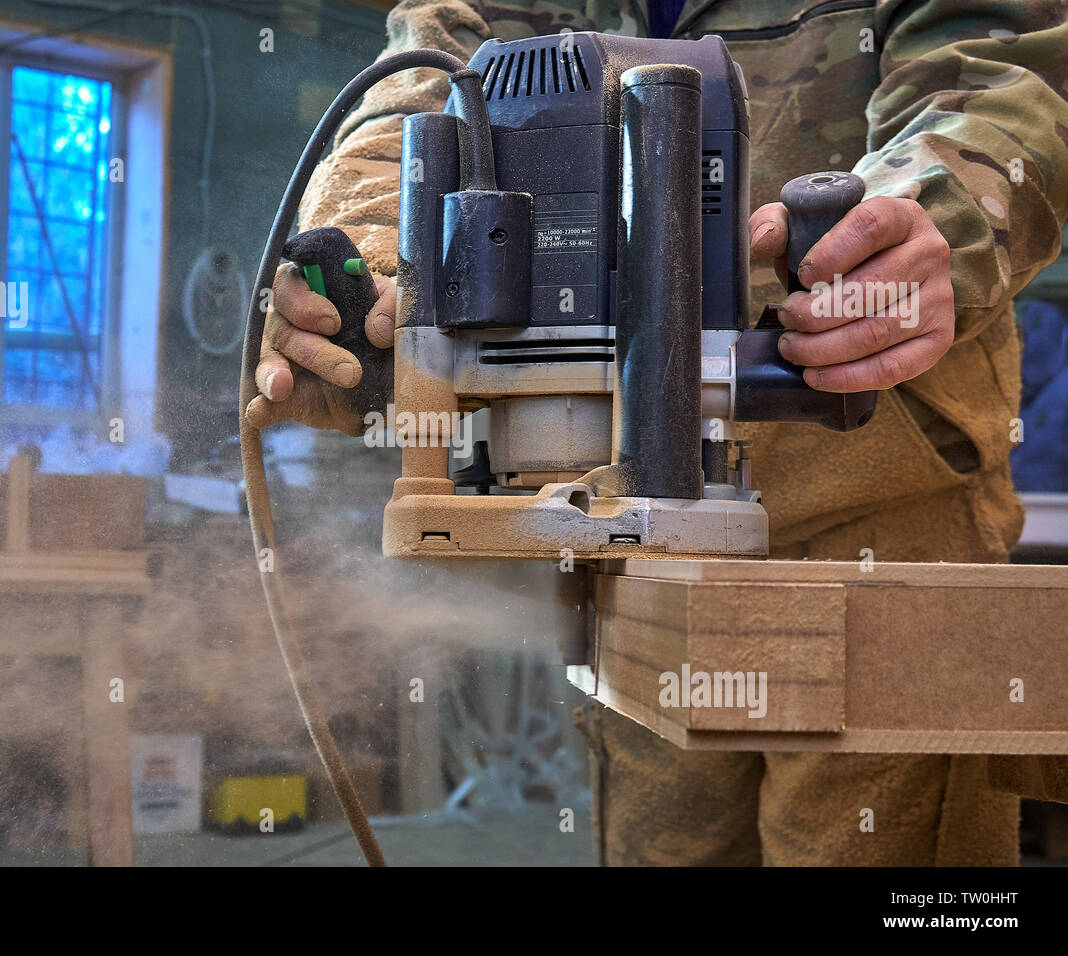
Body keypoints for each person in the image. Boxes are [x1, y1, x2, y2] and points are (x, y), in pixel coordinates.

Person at [245, 0, 1068, 865]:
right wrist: (382, 273)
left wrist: (914, 226)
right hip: (620, 519)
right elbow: (425, 69)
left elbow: (1003, 67)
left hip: (876, 475)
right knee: (661, 847)